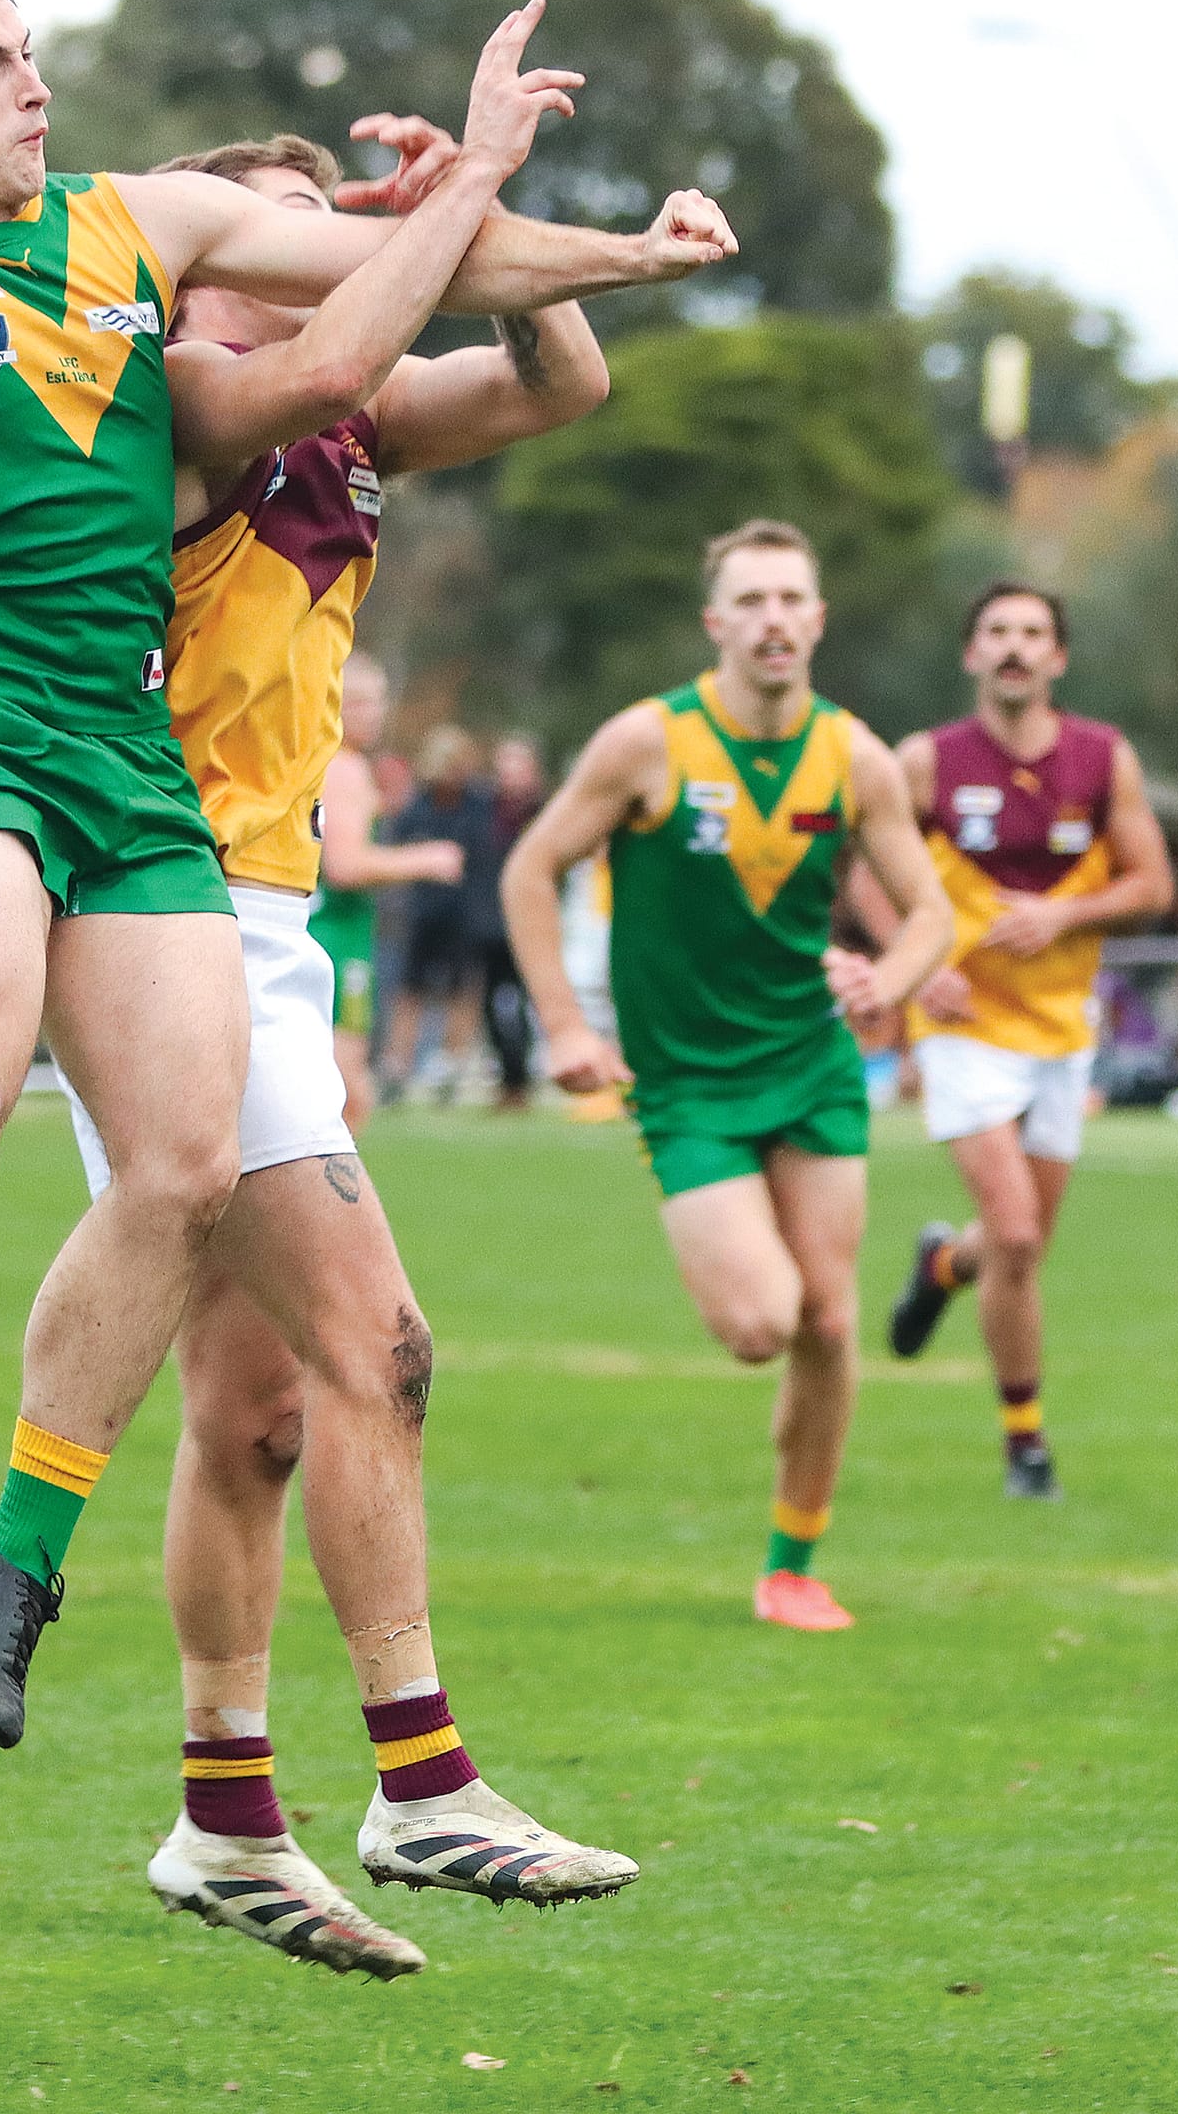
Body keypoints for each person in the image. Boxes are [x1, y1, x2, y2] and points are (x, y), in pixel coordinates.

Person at [0, 0, 736, 1727]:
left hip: (126, 762)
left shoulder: (141, 223)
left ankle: (19, 1548)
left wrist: (627, 248)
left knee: (188, 1169)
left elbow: (395, 262)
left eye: (33, 50)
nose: (37, 84)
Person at [58, 130, 729, 1972]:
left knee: (259, 1414)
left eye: (324, 222)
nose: (307, 251)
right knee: (385, 1346)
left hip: (260, 929)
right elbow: (343, 346)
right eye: (273, 227)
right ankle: (422, 1783)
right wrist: (478, 210)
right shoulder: (180, 400)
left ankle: (220, 1819)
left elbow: (556, 381)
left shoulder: (348, 421)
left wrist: (487, 229)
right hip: (158, 920)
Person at [501, 520, 953, 1630]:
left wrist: (886, 977)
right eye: (748, 601)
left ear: (817, 619)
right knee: (763, 1323)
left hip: (810, 1066)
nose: (771, 620)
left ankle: (791, 1563)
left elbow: (934, 911)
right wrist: (563, 1026)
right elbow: (529, 866)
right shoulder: (645, 742)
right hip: (688, 1082)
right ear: (715, 624)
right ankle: (768, 1348)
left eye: (790, 600)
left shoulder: (856, 756)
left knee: (831, 1323)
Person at [873, 582, 1173, 1497]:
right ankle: (1026, 1442)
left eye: (1033, 634)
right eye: (997, 632)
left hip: (1060, 1028)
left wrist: (1065, 915)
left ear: (1059, 658)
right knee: (1013, 1228)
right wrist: (919, 964)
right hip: (961, 1025)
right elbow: (858, 868)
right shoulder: (924, 761)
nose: (1014, 647)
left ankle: (941, 1264)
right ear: (971, 654)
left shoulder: (1101, 758)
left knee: (1019, 1245)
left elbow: (1153, 883)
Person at [311, 655, 460, 1130]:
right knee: (345, 1091)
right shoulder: (344, 768)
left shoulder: (333, 763)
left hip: (341, 932)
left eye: (377, 702)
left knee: (341, 1089)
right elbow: (344, 866)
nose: (371, 713)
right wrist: (427, 859)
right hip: (337, 935)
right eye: (358, 701)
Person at [377, 728, 497, 1098]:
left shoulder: (479, 805)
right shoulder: (419, 806)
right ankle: (397, 1065)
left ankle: (451, 1064)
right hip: (423, 912)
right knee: (410, 988)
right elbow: (399, 846)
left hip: (466, 914)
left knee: (463, 988)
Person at [475, 735, 550, 1106]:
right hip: (488, 921)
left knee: (528, 998)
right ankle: (508, 1077)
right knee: (491, 1000)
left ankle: (523, 1076)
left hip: (531, 921)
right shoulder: (484, 809)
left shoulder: (545, 811)